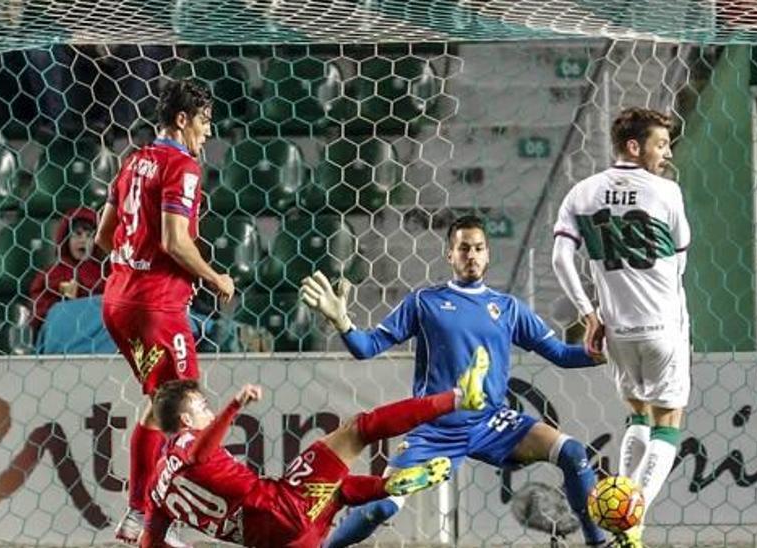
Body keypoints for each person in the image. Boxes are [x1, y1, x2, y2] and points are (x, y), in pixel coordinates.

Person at [301, 215, 610, 547]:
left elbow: (562, 354)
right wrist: (343, 321)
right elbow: (367, 348)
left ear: (488, 254)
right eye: (464, 248)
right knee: (382, 508)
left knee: (572, 452)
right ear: (450, 255)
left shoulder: (508, 308)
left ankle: (598, 543)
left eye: (478, 248)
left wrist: (604, 352)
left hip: (491, 421)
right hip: (435, 429)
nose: (472, 256)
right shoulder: (423, 303)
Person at [95, 78, 236, 544]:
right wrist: (214, 278)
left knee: (161, 405)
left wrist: (144, 268)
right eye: (205, 122)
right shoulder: (183, 165)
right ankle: (149, 520)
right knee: (186, 408)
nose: (207, 132)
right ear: (183, 119)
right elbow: (177, 241)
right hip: (155, 307)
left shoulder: (133, 161)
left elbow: (102, 237)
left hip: (118, 300)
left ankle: (142, 517)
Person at [549, 106, 689, 546]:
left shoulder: (582, 193)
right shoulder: (665, 193)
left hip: (614, 332)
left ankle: (618, 504)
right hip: (663, 328)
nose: (666, 153)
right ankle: (632, 513)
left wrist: (589, 313)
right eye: (660, 143)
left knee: (636, 414)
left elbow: (559, 258)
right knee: (669, 420)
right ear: (635, 146)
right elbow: (681, 260)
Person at [139, 373, 487, 548]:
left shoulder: (156, 487)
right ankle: (458, 398)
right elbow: (199, 452)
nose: (209, 411)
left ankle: (388, 485)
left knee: (335, 492)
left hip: (279, 541)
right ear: (185, 421)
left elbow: (150, 542)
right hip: (282, 505)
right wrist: (234, 405)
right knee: (358, 430)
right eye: (202, 408)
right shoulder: (189, 442)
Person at [29, 206, 107, 332]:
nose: (83, 240)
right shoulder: (51, 274)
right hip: (64, 331)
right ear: (65, 239)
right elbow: (39, 310)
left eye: (89, 236)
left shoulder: (103, 273)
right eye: (77, 234)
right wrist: (62, 297)